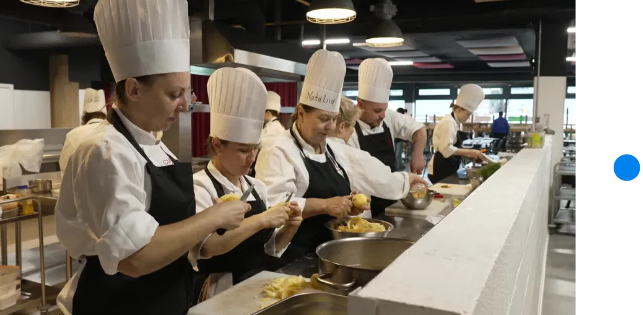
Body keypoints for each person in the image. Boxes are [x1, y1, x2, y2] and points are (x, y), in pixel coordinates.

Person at [55, 1, 250, 314]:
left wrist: (205, 220)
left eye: (188, 94)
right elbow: (135, 258)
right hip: (122, 304)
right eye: (174, 94)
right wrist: (210, 218)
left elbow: (167, 228)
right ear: (133, 89)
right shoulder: (105, 151)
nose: (185, 105)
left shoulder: (157, 146)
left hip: (166, 298)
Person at [255, 50, 429, 268]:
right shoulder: (278, 149)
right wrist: (325, 205)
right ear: (301, 113)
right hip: (294, 259)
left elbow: (366, 171)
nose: (330, 127)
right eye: (323, 119)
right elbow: (275, 208)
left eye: (334, 119)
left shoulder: (332, 149)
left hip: (332, 253)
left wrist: (349, 206)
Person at [192, 67, 302, 302]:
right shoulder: (201, 186)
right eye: (243, 150)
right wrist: (262, 219)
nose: (252, 158)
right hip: (219, 291)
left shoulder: (256, 186)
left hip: (258, 284)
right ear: (218, 145)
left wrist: (289, 227)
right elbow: (208, 248)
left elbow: (267, 248)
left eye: (255, 148)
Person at [349, 58, 427, 217]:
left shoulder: (388, 117)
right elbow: (363, 176)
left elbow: (419, 130)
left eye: (385, 109)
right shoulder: (347, 127)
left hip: (391, 195)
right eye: (377, 110)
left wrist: (417, 155)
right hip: (365, 202)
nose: (382, 115)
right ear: (361, 104)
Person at [428, 84, 489, 183]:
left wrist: (470, 157)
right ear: (459, 110)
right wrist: (470, 152)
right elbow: (446, 149)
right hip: (440, 167)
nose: (468, 117)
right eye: (468, 114)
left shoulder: (457, 123)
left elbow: (455, 150)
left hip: (450, 165)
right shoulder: (448, 122)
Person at [59, 88, 107, 174]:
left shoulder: (73, 135)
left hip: (81, 185)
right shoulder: (115, 132)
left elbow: (65, 167)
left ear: (84, 117)